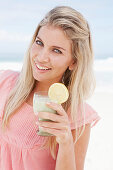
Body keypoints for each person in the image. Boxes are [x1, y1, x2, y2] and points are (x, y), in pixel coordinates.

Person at [0, 6, 100, 170]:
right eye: (39, 43)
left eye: (56, 51)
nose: (41, 57)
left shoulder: (77, 115)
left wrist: (66, 141)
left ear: (73, 61)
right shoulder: (5, 83)